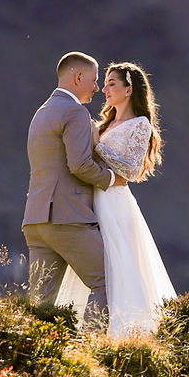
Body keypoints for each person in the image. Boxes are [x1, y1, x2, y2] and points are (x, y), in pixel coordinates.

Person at [56, 61, 176, 337]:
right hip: (93, 200)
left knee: (117, 265)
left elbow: (132, 169)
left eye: (112, 84)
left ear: (128, 90)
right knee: (94, 265)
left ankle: (123, 333)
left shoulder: (140, 125)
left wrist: (97, 144)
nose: (104, 89)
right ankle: (83, 331)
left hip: (115, 204)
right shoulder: (105, 124)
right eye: (105, 83)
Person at [22, 51, 126, 328]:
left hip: (36, 220)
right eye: (94, 80)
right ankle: (91, 345)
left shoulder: (42, 112)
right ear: (78, 77)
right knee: (109, 279)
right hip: (67, 217)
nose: (97, 88)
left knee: (40, 302)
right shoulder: (75, 112)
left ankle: (30, 348)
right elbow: (79, 165)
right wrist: (112, 178)